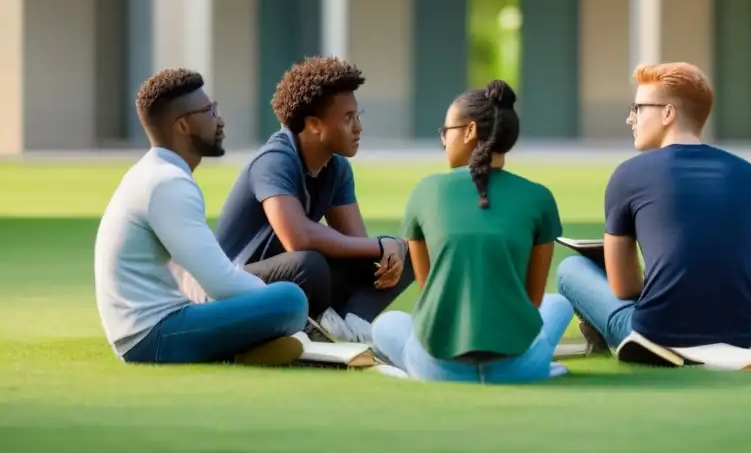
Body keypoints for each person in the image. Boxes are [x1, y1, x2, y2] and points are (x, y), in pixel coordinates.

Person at [555, 62, 751, 358]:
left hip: (656, 334)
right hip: (747, 338)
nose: (630, 119)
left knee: (571, 269)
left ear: (668, 113)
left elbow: (624, 288)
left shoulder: (628, 175)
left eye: (638, 108)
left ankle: (615, 337)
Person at [94, 69, 309, 366]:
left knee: (278, 301)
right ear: (182, 125)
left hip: (147, 330)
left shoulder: (157, 174)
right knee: (290, 301)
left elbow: (192, 276)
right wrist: (272, 304)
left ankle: (246, 348)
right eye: (209, 111)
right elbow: (220, 283)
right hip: (152, 336)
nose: (218, 119)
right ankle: (258, 341)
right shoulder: (168, 183)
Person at [371, 80, 573, 383]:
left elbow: (430, 295)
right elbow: (532, 301)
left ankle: (416, 368)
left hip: (437, 369)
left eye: (446, 132)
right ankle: (538, 365)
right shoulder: (539, 197)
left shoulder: (425, 191)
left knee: (386, 325)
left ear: (469, 131)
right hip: (519, 367)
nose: (443, 141)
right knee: (558, 303)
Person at [214, 57, 414, 344]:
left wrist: (388, 251)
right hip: (237, 286)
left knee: (406, 252)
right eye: (347, 118)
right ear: (313, 125)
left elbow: (356, 242)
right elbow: (297, 237)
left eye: (359, 116)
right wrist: (380, 245)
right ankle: (317, 324)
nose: (358, 128)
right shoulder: (275, 160)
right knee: (311, 263)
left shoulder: (336, 167)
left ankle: (353, 323)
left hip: (297, 280)